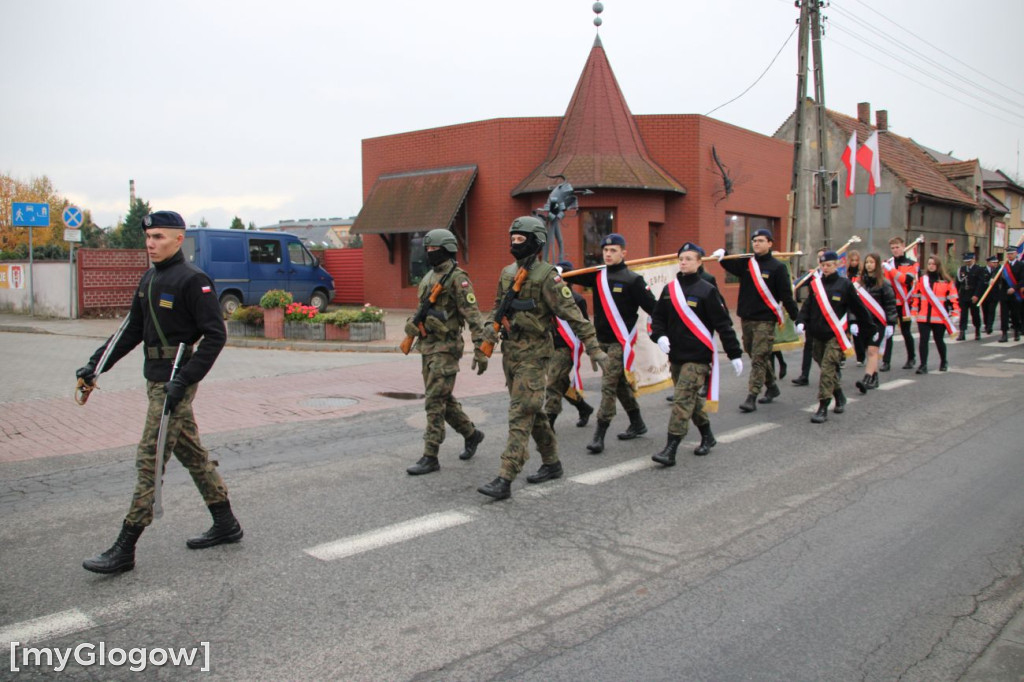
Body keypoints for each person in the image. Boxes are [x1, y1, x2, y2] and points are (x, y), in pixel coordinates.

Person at [75, 211, 241, 574]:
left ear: (179, 239)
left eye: (159, 237)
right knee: (192, 454)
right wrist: (95, 365)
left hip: (175, 383)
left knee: (149, 458)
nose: (151, 244)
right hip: (156, 380)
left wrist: (184, 381)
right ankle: (226, 522)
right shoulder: (149, 278)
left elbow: (215, 335)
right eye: (148, 237)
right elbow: (131, 330)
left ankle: (125, 547)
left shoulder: (193, 280)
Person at [477, 217, 608, 501]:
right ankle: (552, 463)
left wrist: (594, 348)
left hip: (535, 355)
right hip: (511, 353)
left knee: (521, 411)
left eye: (521, 239)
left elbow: (574, 314)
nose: (514, 243)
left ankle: (506, 475)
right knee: (533, 411)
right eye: (512, 238)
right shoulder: (507, 273)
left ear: (536, 242)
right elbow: (497, 308)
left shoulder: (548, 276)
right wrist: (486, 338)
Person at [649, 242, 743, 465]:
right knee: (691, 399)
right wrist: (659, 336)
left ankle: (670, 448)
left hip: (698, 357)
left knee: (682, 400)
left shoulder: (707, 290)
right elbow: (657, 318)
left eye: (689, 259)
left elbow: (723, 324)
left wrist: (734, 353)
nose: (683, 262)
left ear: (699, 262)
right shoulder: (669, 289)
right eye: (681, 259)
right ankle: (708, 436)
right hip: (676, 355)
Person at [404, 229, 489, 476]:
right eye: (428, 249)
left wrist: (481, 349)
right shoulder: (429, 276)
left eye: (434, 249)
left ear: (448, 249)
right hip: (428, 346)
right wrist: (412, 324)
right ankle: (471, 434)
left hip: (447, 348)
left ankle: (430, 455)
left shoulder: (457, 279)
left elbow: (473, 316)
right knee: (443, 398)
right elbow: (422, 309)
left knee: (434, 401)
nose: (430, 252)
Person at [563, 233, 657, 454]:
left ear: (624, 253)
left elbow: (653, 307)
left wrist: (663, 333)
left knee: (608, 386)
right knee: (619, 383)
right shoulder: (598, 275)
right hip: (601, 341)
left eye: (613, 250)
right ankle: (637, 422)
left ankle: (599, 434)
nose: (608, 254)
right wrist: (558, 271)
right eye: (605, 250)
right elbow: (572, 276)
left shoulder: (633, 280)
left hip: (620, 343)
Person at [713, 229, 800, 412]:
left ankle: (752, 396)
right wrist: (724, 256)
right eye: (754, 241)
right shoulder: (747, 262)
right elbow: (732, 267)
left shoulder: (778, 267)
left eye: (760, 240)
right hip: (747, 317)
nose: (756, 243)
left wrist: (797, 318)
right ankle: (772, 386)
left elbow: (786, 295)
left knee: (759, 357)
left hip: (765, 320)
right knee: (753, 353)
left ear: (770, 243)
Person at [796, 250, 876, 423]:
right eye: (823, 265)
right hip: (817, 333)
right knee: (823, 364)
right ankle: (839, 395)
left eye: (829, 265)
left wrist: (870, 328)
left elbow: (858, 307)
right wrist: (801, 321)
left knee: (827, 369)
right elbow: (808, 305)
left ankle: (823, 406)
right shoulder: (816, 285)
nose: (825, 268)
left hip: (835, 335)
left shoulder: (844, 285)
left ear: (836, 265)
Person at [545, 260, 595, 429]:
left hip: (566, 347)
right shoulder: (548, 297)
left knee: (553, 383)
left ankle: (549, 422)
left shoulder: (577, 299)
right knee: (562, 382)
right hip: (549, 345)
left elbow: (584, 324)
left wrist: (591, 347)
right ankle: (583, 407)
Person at [853, 253, 897, 392]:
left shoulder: (884, 283)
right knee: (870, 351)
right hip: (864, 322)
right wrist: (853, 321)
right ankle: (875, 377)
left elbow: (890, 305)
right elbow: (854, 304)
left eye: (872, 262)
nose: (869, 265)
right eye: (867, 262)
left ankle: (866, 379)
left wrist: (891, 324)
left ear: (877, 264)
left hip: (878, 322)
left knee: (873, 350)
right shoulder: (859, 284)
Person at [910, 255, 958, 372]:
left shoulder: (946, 281)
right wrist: (914, 312)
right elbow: (916, 297)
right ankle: (923, 365)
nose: (931, 266)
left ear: (938, 265)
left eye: (933, 264)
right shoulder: (922, 280)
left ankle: (944, 361)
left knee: (939, 340)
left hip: (939, 317)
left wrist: (955, 313)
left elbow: (953, 299)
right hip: (923, 317)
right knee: (923, 340)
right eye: (929, 264)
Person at [881, 237, 918, 371]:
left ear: (903, 246)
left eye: (897, 247)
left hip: (904, 304)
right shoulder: (888, 263)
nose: (895, 250)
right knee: (888, 332)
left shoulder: (912, 264)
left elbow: (906, 280)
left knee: (906, 331)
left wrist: (890, 269)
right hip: (890, 303)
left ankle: (911, 358)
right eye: (893, 248)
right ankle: (886, 361)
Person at [997, 246, 1024, 342]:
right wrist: (992, 279)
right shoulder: (1003, 265)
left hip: (1015, 294)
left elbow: (1022, 280)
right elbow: (996, 276)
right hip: (1004, 293)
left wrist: (1014, 288)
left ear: (1016, 254)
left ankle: (1016, 331)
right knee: (1003, 314)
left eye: (1011, 254)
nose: (1009, 255)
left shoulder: (1021, 265)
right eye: (1008, 254)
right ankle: (1004, 334)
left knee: (1015, 314)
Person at [846, 250, 867, 366]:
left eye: (856, 260)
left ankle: (860, 356)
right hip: (846, 304)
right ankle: (842, 356)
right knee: (845, 332)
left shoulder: (861, 274)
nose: (854, 263)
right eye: (852, 260)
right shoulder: (845, 274)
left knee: (857, 333)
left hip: (857, 304)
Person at [956, 253, 984, 341]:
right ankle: (962, 332)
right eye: (966, 261)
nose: (967, 263)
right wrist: (955, 295)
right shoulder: (962, 269)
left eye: (969, 261)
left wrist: (977, 295)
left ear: (973, 259)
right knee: (963, 314)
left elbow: (980, 284)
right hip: (963, 294)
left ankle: (977, 330)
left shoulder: (979, 269)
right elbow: (957, 283)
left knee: (975, 314)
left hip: (973, 294)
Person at [977, 255, 1002, 335]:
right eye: (993, 262)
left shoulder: (998, 270)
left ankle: (989, 326)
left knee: (992, 310)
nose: (995, 264)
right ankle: (986, 324)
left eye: (996, 262)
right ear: (988, 263)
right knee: (985, 310)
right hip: (984, 294)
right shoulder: (982, 270)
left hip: (994, 294)